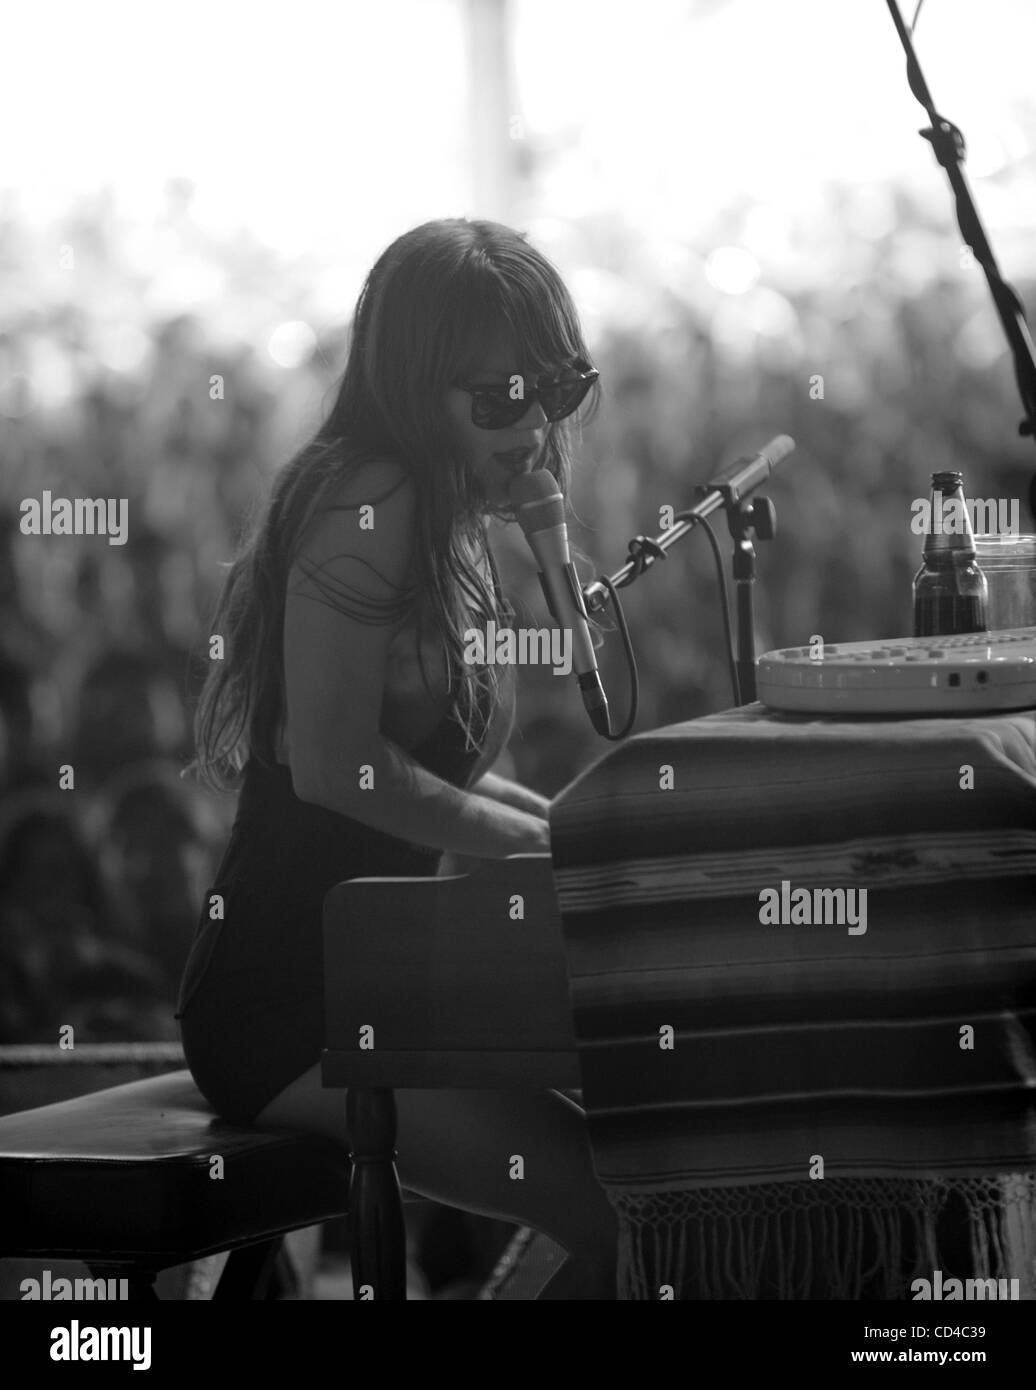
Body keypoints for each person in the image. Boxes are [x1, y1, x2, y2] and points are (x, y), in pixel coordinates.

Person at [178, 218, 617, 1298]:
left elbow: (445, 785)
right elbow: (339, 768)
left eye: (553, 391)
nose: (532, 426)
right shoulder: (371, 500)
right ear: (416, 385)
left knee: (632, 1181)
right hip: (290, 1007)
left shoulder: (443, 517)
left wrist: (575, 838)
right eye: (500, 399)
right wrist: (545, 844)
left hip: (380, 984)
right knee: (612, 1203)